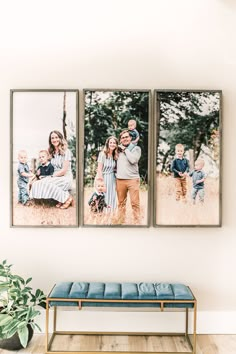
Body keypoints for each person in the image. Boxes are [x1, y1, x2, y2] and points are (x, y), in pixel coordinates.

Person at [30, 130, 74, 209]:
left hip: (65, 177)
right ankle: (62, 199)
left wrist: (50, 177)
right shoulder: (51, 152)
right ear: (50, 141)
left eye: (56, 137)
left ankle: (67, 198)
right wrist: (39, 174)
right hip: (54, 177)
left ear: (60, 138)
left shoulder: (66, 152)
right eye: (52, 138)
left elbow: (64, 170)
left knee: (45, 182)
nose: (54, 140)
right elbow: (46, 165)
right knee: (37, 183)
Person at [116, 130, 141, 224]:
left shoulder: (136, 149)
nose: (125, 139)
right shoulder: (117, 150)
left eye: (126, 137)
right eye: (122, 138)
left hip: (132, 180)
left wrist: (125, 150)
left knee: (135, 203)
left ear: (130, 138)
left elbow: (133, 160)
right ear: (120, 140)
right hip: (120, 180)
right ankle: (120, 222)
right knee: (121, 204)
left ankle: (137, 223)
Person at [96, 136, 118, 211]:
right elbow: (99, 169)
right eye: (110, 142)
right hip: (103, 177)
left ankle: (111, 214)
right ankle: (102, 214)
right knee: (103, 196)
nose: (112, 144)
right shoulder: (103, 154)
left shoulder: (115, 155)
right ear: (107, 144)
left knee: (112, 196)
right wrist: (101, 182)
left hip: (112, 178)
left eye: (114, 143)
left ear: (116, 145)